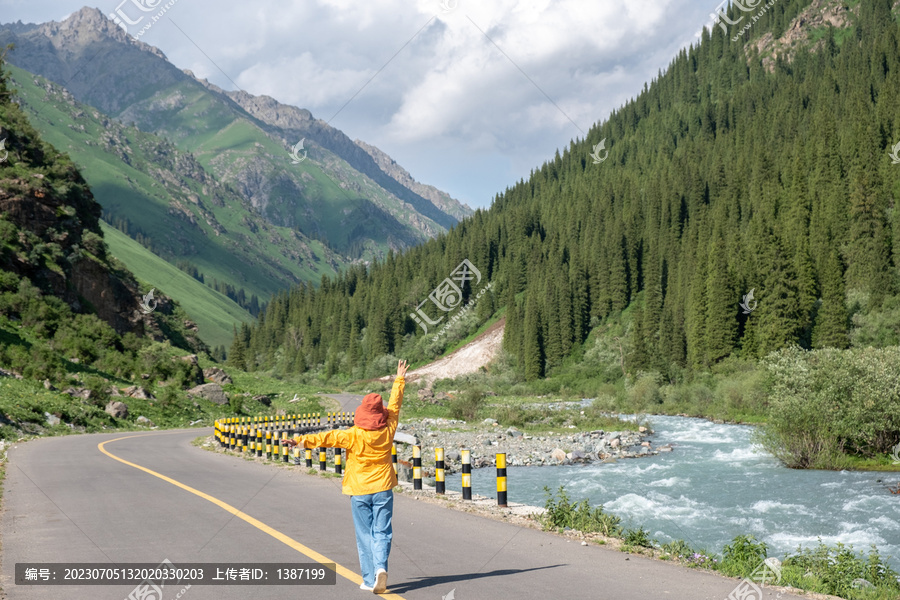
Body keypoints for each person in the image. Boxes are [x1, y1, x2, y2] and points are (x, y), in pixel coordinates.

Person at [282, 359, 408, 594]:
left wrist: (299, 441)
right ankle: (381, 567)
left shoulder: (351, 435)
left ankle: (370, 580)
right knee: (382, 532)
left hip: (359, 490)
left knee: (364, 535)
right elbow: (395, 404)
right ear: (380, 415)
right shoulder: (389, 427)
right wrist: (399, 379)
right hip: (383, 488)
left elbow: (326, 437)